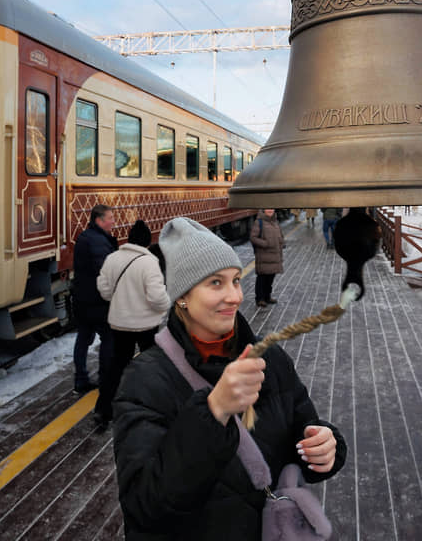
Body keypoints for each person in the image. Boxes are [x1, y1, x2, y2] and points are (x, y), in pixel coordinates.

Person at [113, 217, 346, 540]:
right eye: (215, 283)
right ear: (182, 296)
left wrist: (326, 447)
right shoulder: (146, 379)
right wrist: (213, 412)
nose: (235, 296)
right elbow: (144, 505)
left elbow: (303, 435)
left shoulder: (271, 358)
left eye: (236, 280)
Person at [95, 220, 169, 430]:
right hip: (146, 324)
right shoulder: (150, 262)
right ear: (147, 241)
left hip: (119, 323)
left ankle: (103, 410)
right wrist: (165, 306)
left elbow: (104, 288)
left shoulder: (113, 258)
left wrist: (118, 302)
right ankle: (154, 406)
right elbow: (156, 297)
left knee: (117, 365)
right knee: (152, 365)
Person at [71, 204, 117, 394]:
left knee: (83, 338)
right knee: (108, 337)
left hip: (81, 299)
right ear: (99, 220)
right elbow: (105, 271)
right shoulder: (98, 241)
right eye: (110, 218)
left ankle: (80, 380)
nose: (114, 221)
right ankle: (105, 379)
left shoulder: (85, 236)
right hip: (96, 301)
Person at [249, 209, 284, 308]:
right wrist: (265, 243)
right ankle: (260, 299)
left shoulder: (275, 222)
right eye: (267, 208)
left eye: (271, 208)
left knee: (270, 278)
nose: (270, 210)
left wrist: (282, 242)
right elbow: (253, 237)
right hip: (264, 255)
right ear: (264, 210)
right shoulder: (259, 222)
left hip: (274, 255)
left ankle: (267, 297)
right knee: (262, 278)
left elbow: (280, 235)